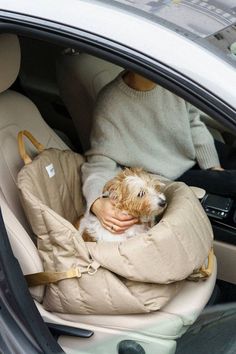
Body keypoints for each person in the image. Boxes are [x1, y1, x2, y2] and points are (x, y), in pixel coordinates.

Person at [82, 70, 236, 234]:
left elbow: (193, 123)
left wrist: (213, 166)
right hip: (163, 177)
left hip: (187, 153)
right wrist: (97, 203)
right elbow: (99, 162)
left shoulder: (171, 81)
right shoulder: (110, 102)